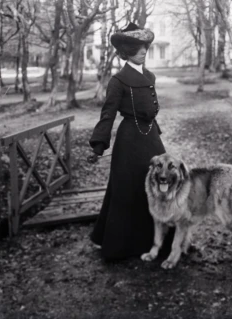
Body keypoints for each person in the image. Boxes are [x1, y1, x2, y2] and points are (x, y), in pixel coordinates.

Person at [87, 22, 166, 260]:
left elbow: (150, 107)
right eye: (137, 48)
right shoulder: (118, 81)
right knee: (127, 189)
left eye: (144, 47)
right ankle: (122, 244)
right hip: (129, 139)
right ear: (125, 52)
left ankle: (156, 240)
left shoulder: (149, 75)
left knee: (158, 185)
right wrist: (98, 146)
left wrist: (155, 131)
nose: (143, 51)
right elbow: (108, 114)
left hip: (150, 136)